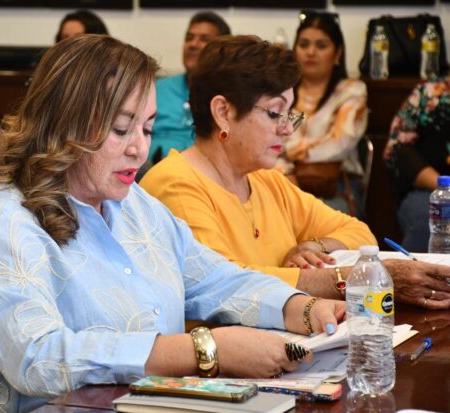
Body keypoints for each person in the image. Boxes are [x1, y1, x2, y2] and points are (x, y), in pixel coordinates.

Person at [0, 35, 344, 411]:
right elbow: (38, 359)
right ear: (65, 125)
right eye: (121, 130)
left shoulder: (130, 201)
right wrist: (205, 349)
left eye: (148, 128)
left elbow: (212, 278)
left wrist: (301, 308)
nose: (139, 149)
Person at [140, 35, 450, 310]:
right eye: (275, 113)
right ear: (223, 112)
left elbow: (358, 232)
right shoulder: (175, 184)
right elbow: (227, 286)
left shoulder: (264, 179)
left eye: (290, 114)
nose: (288, 129)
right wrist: (357, 278)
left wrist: (315, 246)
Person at [278, 11, 367, 217]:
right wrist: (285, 170)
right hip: (284, 179)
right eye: (304, 45)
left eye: (321, 46)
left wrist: (287, 154)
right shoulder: (281, 91)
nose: (311, 52)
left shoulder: (352, 91)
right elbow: (267, 141)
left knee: (318, 219)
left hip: (335, 185)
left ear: (337, 53)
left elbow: (339, 144)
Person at [147, 11, 230, 165]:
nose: (193, 44)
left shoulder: (230, 95)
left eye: (204, 39)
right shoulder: (156, 89)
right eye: (189, 38)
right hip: (153, 166)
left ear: (222, 50)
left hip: (207, 169)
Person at [384, 78, 450, 253]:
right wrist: (444, 189)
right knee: (430, 219)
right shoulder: (427, 94)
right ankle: (414, 270)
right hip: (429, 191)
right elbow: (398, 150)